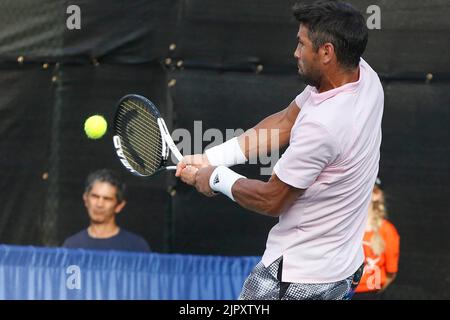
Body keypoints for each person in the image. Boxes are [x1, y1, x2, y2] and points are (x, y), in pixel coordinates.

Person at [176, 0, 383, 300]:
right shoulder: (363, 75)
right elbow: (286, 121)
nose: (295, 53)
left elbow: (272, 200)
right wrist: (211, 157)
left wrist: (214, 178)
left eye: (302, 45)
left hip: (298, 278)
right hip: (343, 269)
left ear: (327, 52)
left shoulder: (324, 128)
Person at [63, 169, 151, 253]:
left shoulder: (135, 246)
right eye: (95, 196)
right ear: (86, 199)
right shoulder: (72, 245)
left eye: (107, 199)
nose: (99, 204)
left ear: (119, 206)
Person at [352, 178, 400, 300]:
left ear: (376, 194)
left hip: (370, 293)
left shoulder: (386, 230)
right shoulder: (346, 227)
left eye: (365, 189)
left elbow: (391, 272)